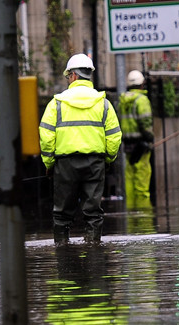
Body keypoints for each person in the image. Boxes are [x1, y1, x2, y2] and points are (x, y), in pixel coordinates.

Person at [39, 54, 122, 245]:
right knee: (93, 212)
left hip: (64, 164)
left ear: (73, 76)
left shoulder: (56, 103)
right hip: (95, 163)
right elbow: (114, 136)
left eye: (68, 76)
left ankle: (62, 250)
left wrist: (50, 163)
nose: (68, 80)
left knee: (61, 214)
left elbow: (46, 136)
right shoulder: (104, 103)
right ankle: (93, 251)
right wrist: (107, 160)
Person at [119, 70, 154, 209]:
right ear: (142, 84)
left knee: (129, 176)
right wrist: (150, 137)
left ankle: (130, 211)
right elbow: (145, 123)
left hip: (127, 144)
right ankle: (143, 211)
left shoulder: (122, 101)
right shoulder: (142, 100)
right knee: (142, 177)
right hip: (141, 145)